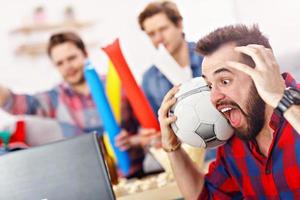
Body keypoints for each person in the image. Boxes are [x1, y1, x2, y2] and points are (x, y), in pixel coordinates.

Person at [158, 24, 300, 199]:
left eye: (224, 81)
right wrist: (173, 147)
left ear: (263, 74)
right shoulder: (234, 138)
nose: (214, 97)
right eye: (210, 86)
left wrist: (280, 98)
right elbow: (205, 196)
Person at [0, 32, 144, 178]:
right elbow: (15, 102)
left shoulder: (118, 86)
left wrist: (134, 141)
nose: (67, 66)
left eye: (71, 58)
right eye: (60, 63)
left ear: (85, 54)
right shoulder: (55, 98)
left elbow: (150, 131)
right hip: (91, 180)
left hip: (136, 175)